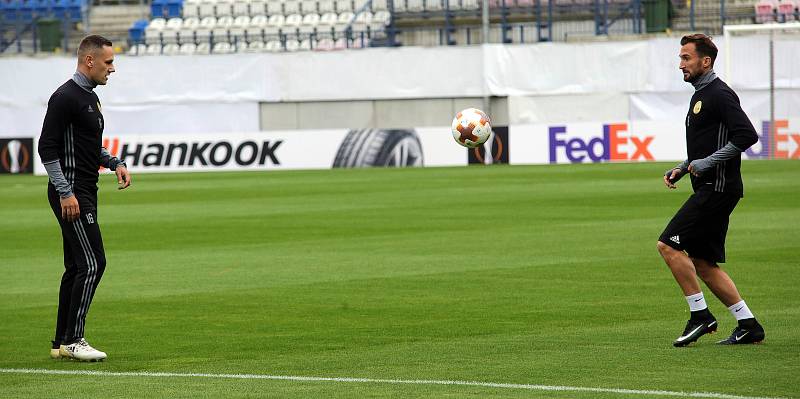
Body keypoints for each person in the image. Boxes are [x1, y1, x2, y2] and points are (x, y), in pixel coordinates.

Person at [657, 34, 764, 347]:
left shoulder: (719, 93)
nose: (681, 65)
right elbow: (706, 146)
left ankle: (701, 316)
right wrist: (685, 165)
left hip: (717, 188)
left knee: (667, 245)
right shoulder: (701, 95)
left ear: (705, 61)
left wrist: (705, 164)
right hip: (713, 186)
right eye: (680, 58)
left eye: (686, 58)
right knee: (703, 262)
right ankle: (748, 324)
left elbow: (747, 135)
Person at [38, 35, 131, 361]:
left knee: (76, 266)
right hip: (73, 193)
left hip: (84, 189)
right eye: (108, 62)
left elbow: (88, 148)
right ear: (88, 61)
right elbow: (46, 148)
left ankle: (60, 342)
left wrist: (114, 162)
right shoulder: (65, 97)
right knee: (94, 262)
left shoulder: (89, 97)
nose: (113, 68)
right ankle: (75, 340)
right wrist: (66, 193)